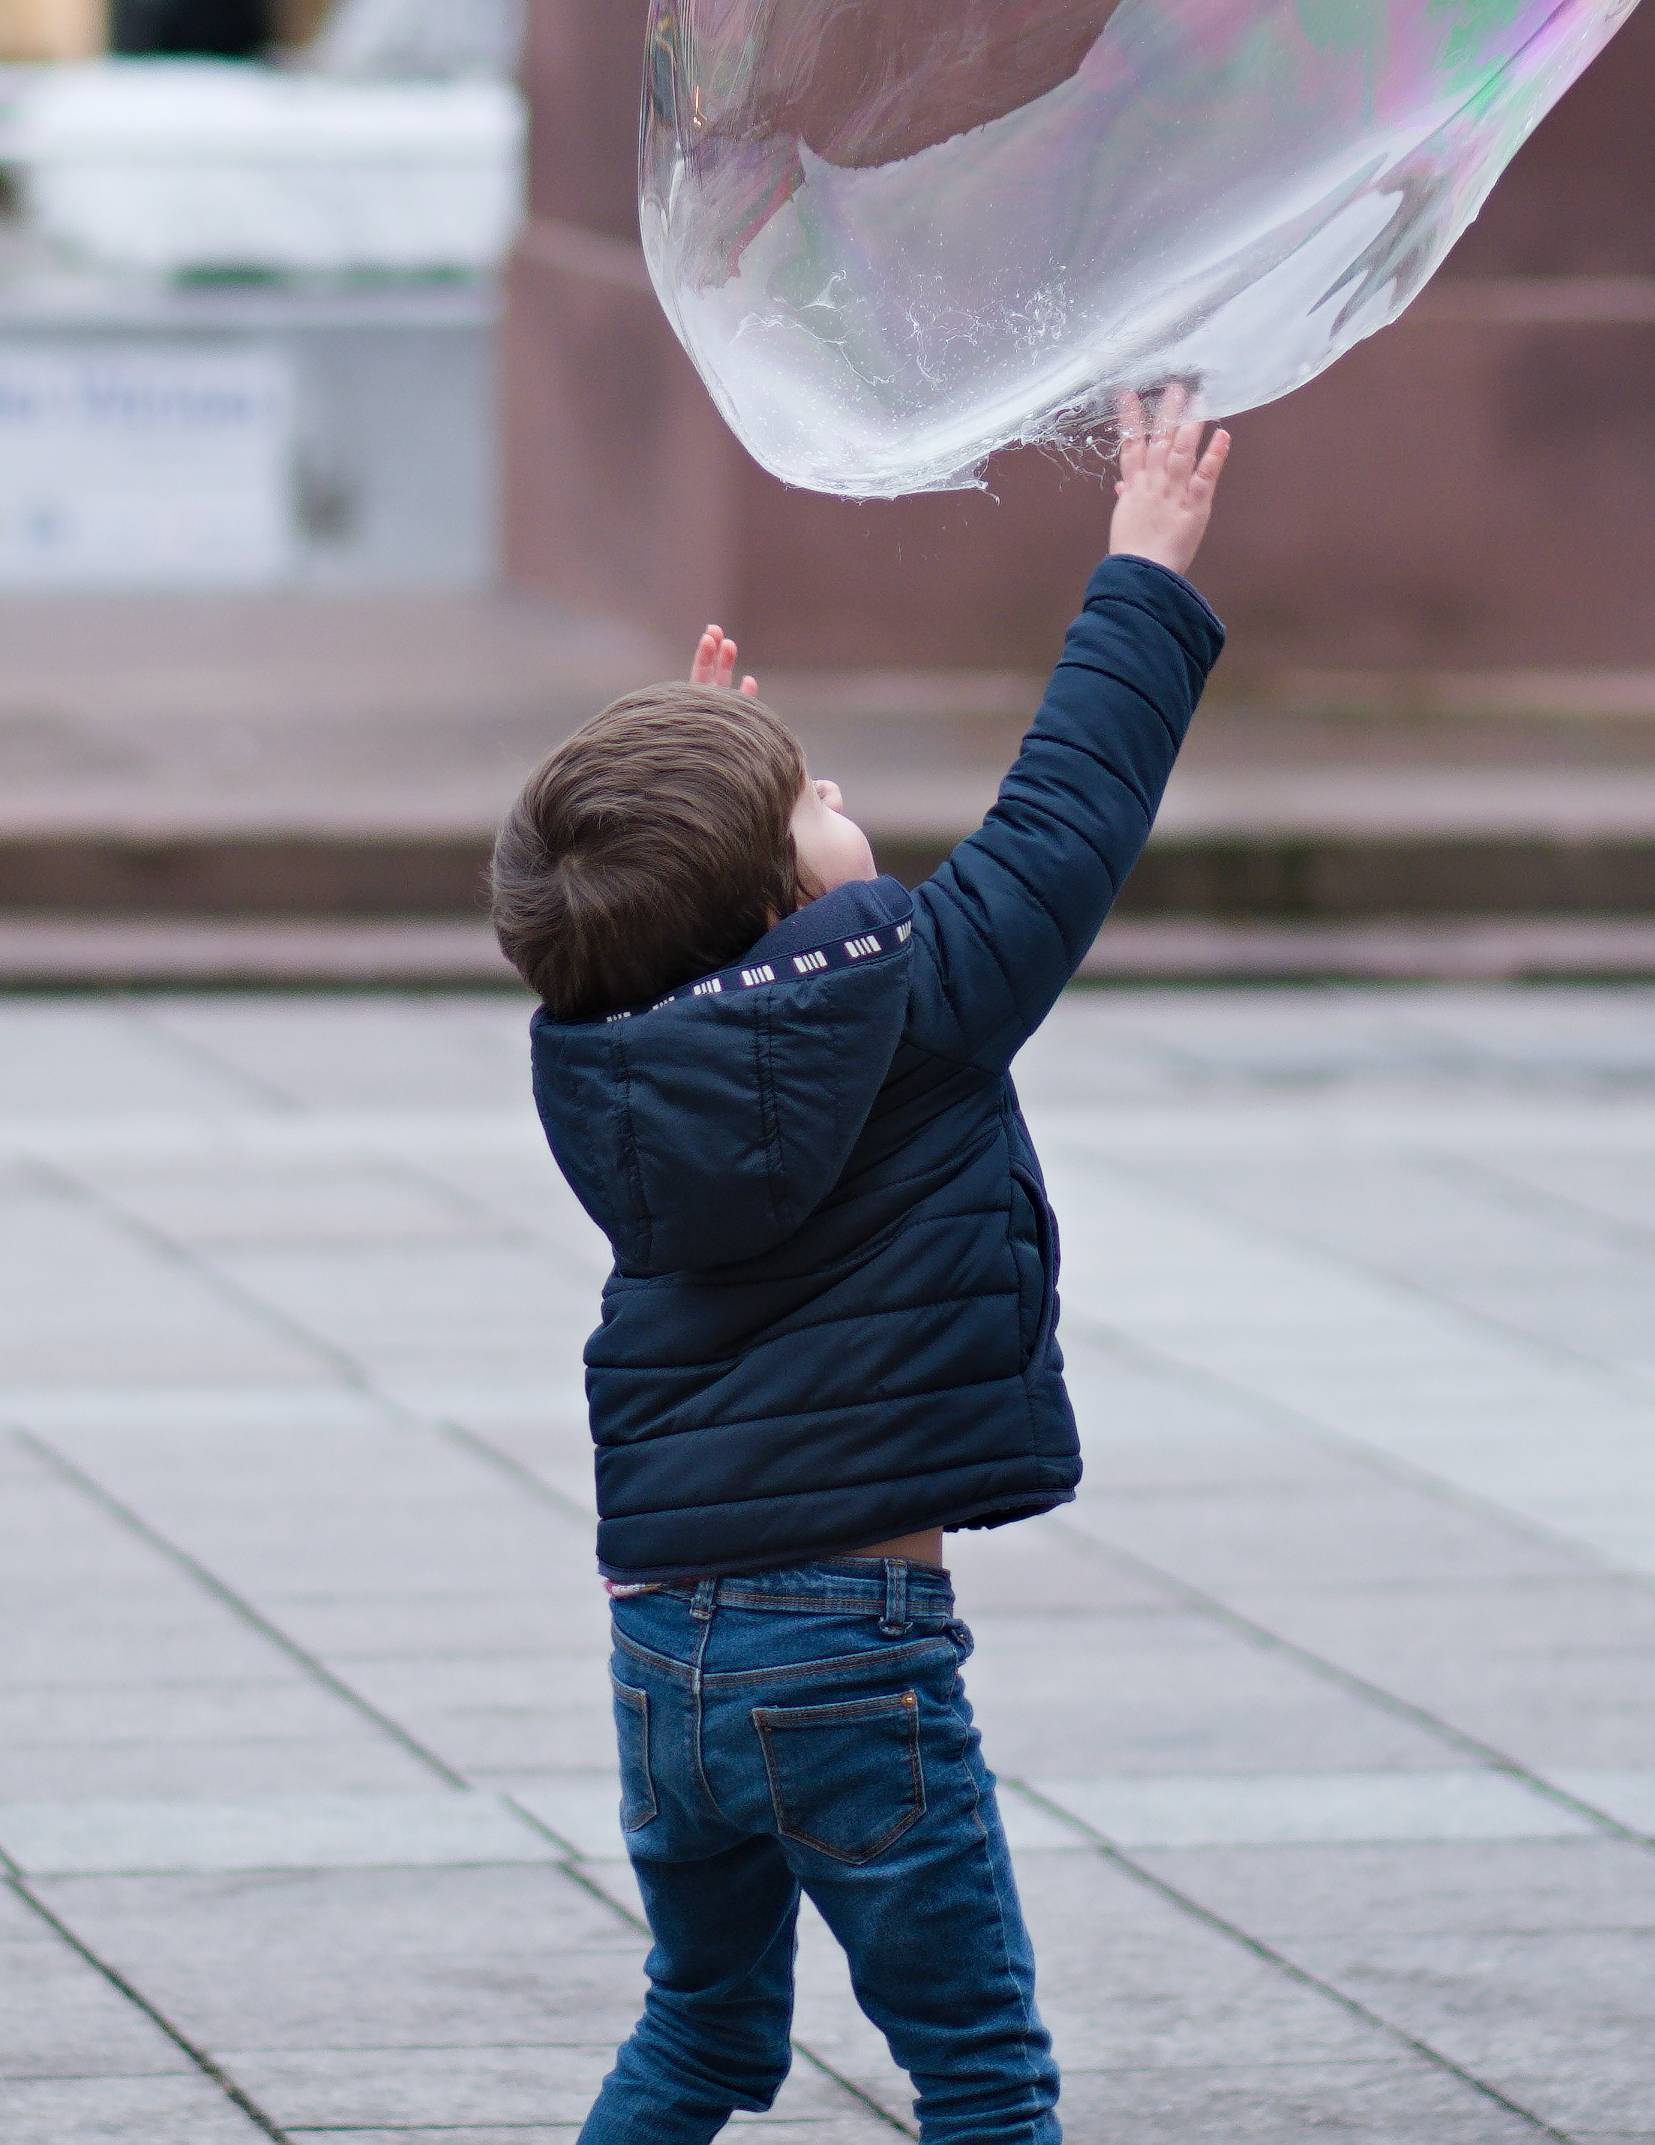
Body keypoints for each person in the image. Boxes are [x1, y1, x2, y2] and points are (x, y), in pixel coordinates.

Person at [498, 389, 1231, 2145]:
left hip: (663, 1645)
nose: (833, 788)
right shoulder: (916, 996)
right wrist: (1143, 565)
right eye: (803, 796)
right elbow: (1072, 807)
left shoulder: (608, 1050)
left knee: (701, 2038)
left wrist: (703, 777)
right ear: (773, 905)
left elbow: (699, 945)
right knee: (981, 2072)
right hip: (851, 1649)